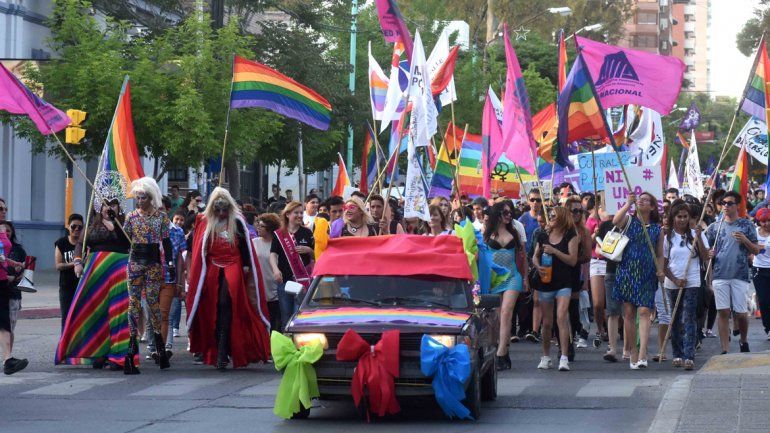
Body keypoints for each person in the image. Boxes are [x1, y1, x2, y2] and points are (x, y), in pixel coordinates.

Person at [186, 187, 271, 369]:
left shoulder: (237, 222)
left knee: (226, 303)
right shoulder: (205, 222)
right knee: (213, 306)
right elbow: (198, 248)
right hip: (212, 267)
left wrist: (246, 265)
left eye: (224, 209)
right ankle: (219, 349)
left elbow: (245, 247)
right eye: (218, 210)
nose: (221, 213)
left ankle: (223, 350)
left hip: (233, 264)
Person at [59, 199, 131, 369]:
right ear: (99, 207)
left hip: (119, 271)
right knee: (97, 312)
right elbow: (80, 245)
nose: (109, 207)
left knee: (119, 312)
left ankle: (119, 355)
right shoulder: (92, 225)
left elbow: (128, 243)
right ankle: (98, 353)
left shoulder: (124, 224)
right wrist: (77, 262)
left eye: (113, 204)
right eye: (105, 204)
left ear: (118, 207)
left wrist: (115, 222)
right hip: (96, 272)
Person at [123, 177, 175, 373]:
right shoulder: (131, 217)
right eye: (137, 197)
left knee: (153, 304)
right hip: (135, 264)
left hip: (153, 264)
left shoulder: (161, 218)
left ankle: (160, 347)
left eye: (143, 197)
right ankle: (131, 348)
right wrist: (114, 219)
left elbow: (166, 242)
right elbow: (124, 240)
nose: (139, 201)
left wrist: (170, 263)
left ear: (151, 198)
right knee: (134, 304)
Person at [612, 192, 664, 369]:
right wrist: (628, 204)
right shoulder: (629, 221)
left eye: (646, 200)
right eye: (640, 199)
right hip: (627, 271)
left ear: (652, 207)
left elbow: (659, 254)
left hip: (647, 274)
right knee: (628, 313)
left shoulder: (657, 229)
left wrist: (660, 269)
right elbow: (615, 221)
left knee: (644, 311)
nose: (641, 201)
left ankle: (642, 352)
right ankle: (632, 350)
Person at [705, 191, 759, 354]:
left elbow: (756, 250)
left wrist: (745, 240)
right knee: (723, 311)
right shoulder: (715, 227)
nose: (725, 206)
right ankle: (725, 349)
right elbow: (706, 251)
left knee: (741, 313)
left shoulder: (746, 225)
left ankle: (743, 340)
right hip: (719, 274)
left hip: (740, 275)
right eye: (723, 203)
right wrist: (708, 253)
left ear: (738, 205)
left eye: (729, 203)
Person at [663, 201, 709, 370]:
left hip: (692, 281)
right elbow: (663, 265)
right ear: (673, 218)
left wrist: (699, 237)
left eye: (685, 216)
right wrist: (675, 280)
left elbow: (705, 257)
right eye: (679, 216)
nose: (682, 220)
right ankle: (677, 353)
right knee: (675, 319)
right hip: (673, 282)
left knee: (689, 316)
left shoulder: (696, 234)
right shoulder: (668, 237)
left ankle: (689, 355)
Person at [533, 207, 578, 371]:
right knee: (546, 322)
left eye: (554, 215)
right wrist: (537, 266)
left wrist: (555, 251)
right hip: (546, 281)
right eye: (550, 215)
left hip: (564, 282)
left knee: (561, 317)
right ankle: (546, 356)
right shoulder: (543, 235)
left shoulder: (570, 235)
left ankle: (564, 357)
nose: (550, 217)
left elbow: (572, 260)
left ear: (562, 218)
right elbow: (535, 256)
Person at [484, 201, 527, 370]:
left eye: (511, 213)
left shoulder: (515, 232)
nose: (509, 216)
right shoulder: (486, 234)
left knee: (506, 312)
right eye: (506, 213)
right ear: (497, 214)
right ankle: (501, 349)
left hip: (512, 276)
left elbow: (522, 257)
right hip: (494, 279)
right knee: (496, 317)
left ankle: (501, 353)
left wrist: (526, 278)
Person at [270, 201, 315, 330]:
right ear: (288, 214)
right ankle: (286, 341)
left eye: (301, 213)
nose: (299, 215)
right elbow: (273, 254)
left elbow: (315, 257)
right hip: (285, 280)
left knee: (299, 315)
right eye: (296, 213)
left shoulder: (307, 233)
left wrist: (309, 250)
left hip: (303, 282)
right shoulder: (279, 234)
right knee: (286, 315)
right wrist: (275, 270)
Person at [0, 221, 27, 374]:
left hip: (5, 286)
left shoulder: (3, 230)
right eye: (1, 209)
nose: (4, 211)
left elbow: (2, 257)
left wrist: (14, 264)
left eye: (5, 209)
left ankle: (7, 360)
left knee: (5, 324)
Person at [566, 196, 592, 351]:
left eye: (580, 211)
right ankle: (566, 345)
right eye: (574, 210)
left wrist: (573, 259)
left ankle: (577, 333)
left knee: (573, 310)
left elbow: (587, 257)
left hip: (575, 273)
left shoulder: (584, 232)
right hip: (560, 274)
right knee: (561, 311)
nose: (577, 213)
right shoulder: (560, 229)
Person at [55, 214, 84, 330]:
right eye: (73, 226)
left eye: (80, 227)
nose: (76, 229)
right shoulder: (61, 243)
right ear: (68, 226)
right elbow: (58, 265)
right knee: (66, 318)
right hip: (66, 287)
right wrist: (75, 263)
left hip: (82, 286)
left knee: (81, 318)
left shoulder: (85, 244)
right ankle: (65, 340)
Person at [254, 213, 281, 332]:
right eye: (258, 225)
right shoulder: (253, 242)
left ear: (270, 229)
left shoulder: (277, 244)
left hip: (275, 287)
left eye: (262, 226)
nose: (258, 228)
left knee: (275, 322)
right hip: (259, 288)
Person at [752, 208, 770, 341]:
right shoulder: (754, 232)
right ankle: (768, 327)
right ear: (759, 221)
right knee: (763, 300)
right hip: (759, 270)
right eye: (763, 221)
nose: (767, 223)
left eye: (769, 220)